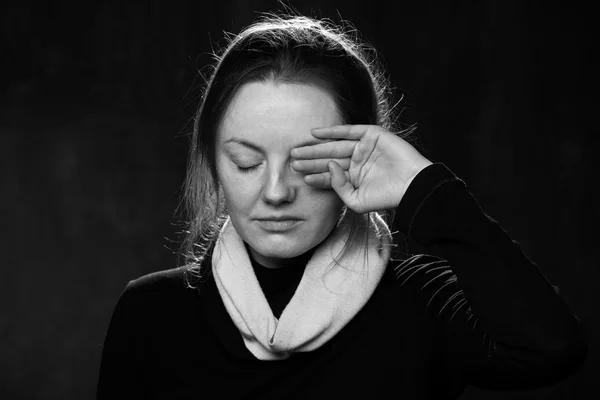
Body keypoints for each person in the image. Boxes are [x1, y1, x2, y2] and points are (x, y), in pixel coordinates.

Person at [96, 13, 588, 399]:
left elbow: (551, 349)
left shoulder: (422, 303)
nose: (275, 191)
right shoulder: (151, 315)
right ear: (212, 163)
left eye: (307, 164)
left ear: (357, 155)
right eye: (246, 162)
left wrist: (426, 188)